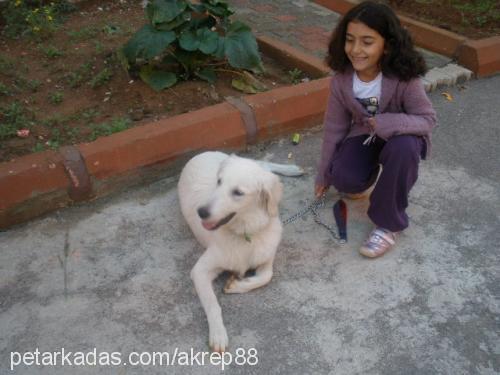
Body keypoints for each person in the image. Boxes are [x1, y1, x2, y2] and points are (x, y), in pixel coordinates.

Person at [315, 1, 436, 258]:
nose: (356, 50)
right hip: (365, 135)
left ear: (387, 45)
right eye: (350, 40)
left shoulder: (405, 78)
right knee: (344, 179)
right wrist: (323, 174)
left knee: (403, 149)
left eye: (367, 42)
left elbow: (427, 119)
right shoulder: (342, 80)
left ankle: (388, 223)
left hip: (403, 138)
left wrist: (390, 123)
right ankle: (363, 177)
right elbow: (334, 129)